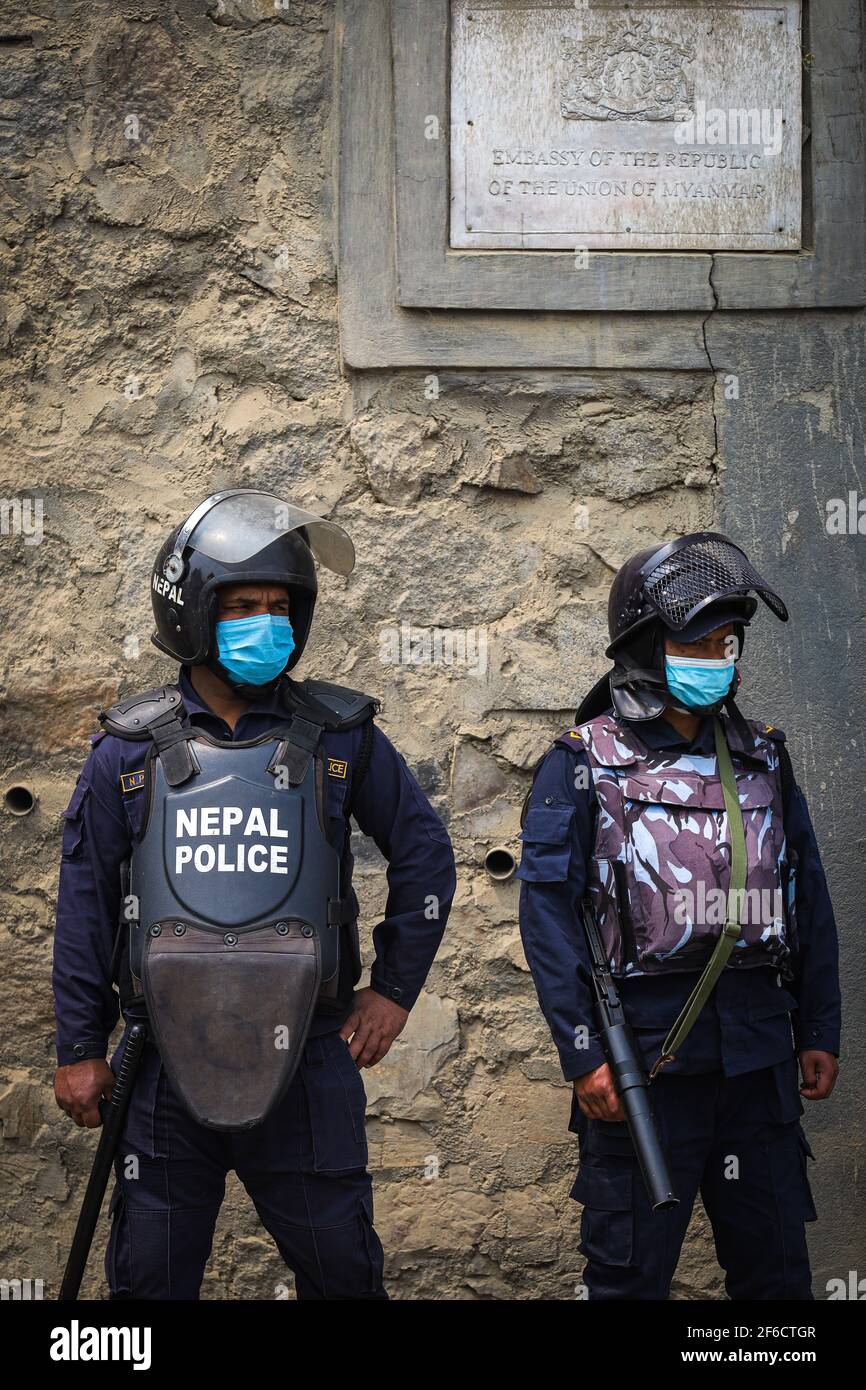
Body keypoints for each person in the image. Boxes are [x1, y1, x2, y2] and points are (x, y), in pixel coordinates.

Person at [53, 489, 456, 1300]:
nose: (264, 622)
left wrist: (394, 991)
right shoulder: (127, 752)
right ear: (194, 612)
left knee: (343, 1274)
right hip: (160, 1061)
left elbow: (425, 857)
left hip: (307, 1056)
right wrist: (77, 1047)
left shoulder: (341, 738)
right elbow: (86, 906)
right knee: (149, 1285)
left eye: (279, 605)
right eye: (242, 605)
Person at [517, 531, 841, 1300]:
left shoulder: (763, 754)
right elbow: (548, 917)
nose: (718, 656)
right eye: (697, 641)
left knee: (778, 1278)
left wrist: (818, 1028)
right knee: (631, 1278)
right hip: (645, 1058)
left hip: (759, 1059)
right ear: (643, 646)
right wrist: (582, 1051)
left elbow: (809, 893)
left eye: (727, 641)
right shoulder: (582, 761)